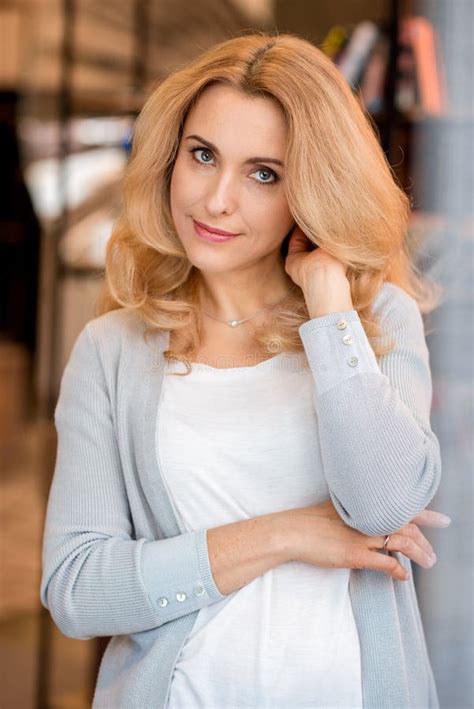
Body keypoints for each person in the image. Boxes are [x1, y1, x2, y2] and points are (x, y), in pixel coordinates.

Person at [40, 32, 451, 708]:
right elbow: (79, 588)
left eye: (265, 173)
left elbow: (381, 503)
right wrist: (290, 533)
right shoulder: (112, 349)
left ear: (312, 188)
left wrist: (326, 300)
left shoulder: (375, 323)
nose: (216, 200)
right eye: (203, 156)